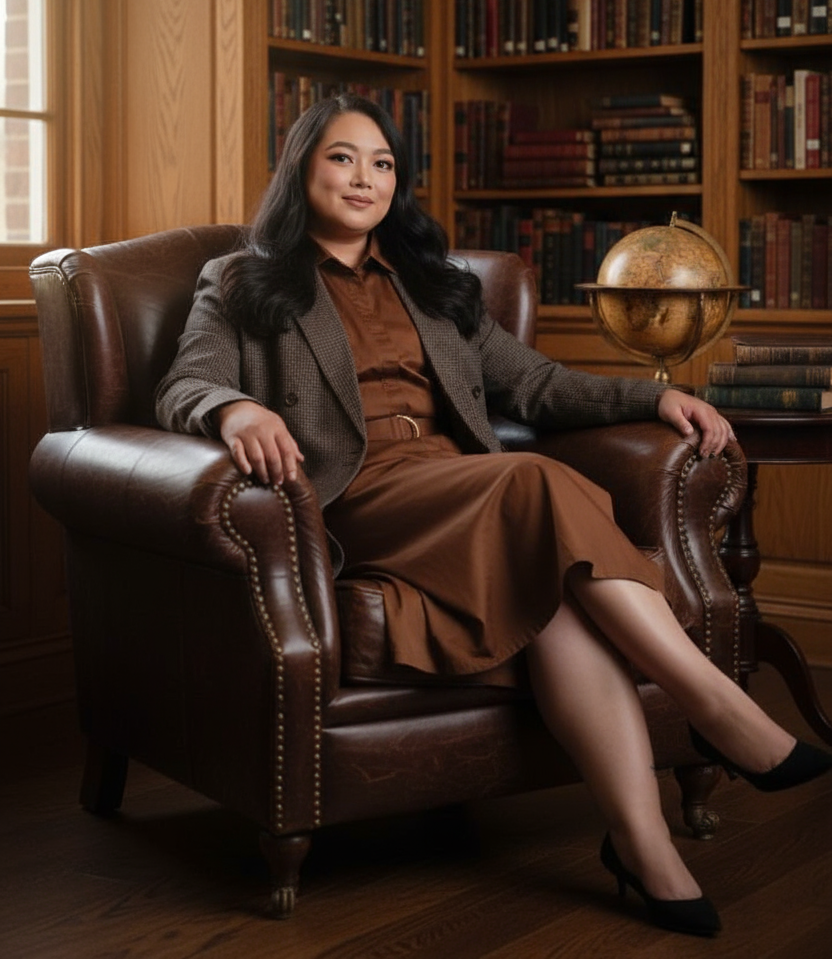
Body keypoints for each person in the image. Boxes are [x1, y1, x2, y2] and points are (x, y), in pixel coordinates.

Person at [155, 93, 831, 937]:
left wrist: (657, 402)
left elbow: (538, 384)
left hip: (462, 493)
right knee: (530, 481)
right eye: (341, 157)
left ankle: (644, 846)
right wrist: (233, 411)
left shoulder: (436, 289)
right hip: (358, 497)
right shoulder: (244, 280)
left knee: (562, 613)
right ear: (301, 165)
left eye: (383, 163)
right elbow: (183, 383)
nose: (364, 178)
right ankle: (718, 705)